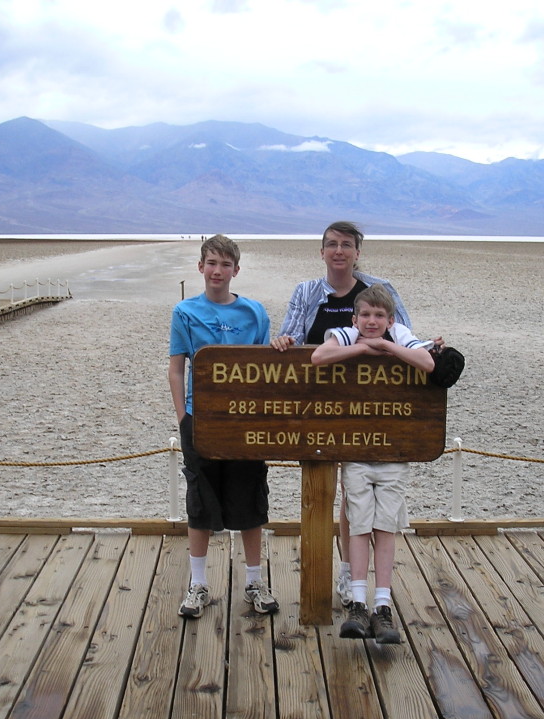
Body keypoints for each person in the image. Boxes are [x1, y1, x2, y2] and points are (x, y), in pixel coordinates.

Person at [270, 221, 416, 608]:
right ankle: (339, 576)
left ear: (357, 252)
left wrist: (428, 347)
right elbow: (292, 337)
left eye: (346, 245)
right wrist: (283, 340)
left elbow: (403, 335)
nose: (339, 251)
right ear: (322, 251)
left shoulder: (376, 291)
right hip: (316, 402)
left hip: (365, 405)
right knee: (323, 486)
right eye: (332, 244)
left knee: (353, 496)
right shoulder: (306, 292)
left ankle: (349, 574)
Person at [309, 284, 434, 643]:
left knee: (385, 527)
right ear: (355, 318)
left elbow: (427, 363)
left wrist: (386, 346)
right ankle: (358, 604)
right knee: (360, 523)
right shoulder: (346, 334)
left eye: (379, 316)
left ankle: (383, 605)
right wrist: (363, 347)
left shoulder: (401, 335)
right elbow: (319, 357)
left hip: (392, 450)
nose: (372, 321)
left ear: (390, 319)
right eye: (365, 315)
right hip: (356, 449)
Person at [169, 234, 279, 619]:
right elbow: (176, 366)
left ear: (236, 270)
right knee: (200, 501)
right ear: (201, 267)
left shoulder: (254, 313)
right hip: (201, 419)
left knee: (249, 498)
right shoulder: (184, 312)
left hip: (245, 421)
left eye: (225, 264)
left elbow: (265, 367)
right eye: (211, 263)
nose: (218, 271)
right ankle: (198, 584)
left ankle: (254, 581)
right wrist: (184, 417)